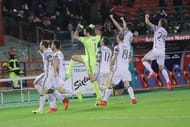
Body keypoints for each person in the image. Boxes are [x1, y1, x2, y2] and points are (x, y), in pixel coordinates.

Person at [96, 33, 137, 106]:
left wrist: (111, 64)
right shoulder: (128, 47)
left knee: (110, 84)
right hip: (125, 68)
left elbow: (114, 57)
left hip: (118, 68)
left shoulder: (117, 47)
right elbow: (130, 59)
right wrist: (124, 62)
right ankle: (133, 99)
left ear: (118, 38)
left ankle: (104, 101)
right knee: (127, 83)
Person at [66, 24, 102, 101]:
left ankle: (99, 95)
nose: (84, 32)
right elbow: (99, 33)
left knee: (92, 77)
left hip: (89, 61)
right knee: (74, 57)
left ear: (88, 32)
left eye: (85, 31)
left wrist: (77, 29)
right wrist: (93, 27)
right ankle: (68, 73)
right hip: (88, 58)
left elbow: (74, 37)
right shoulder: (96, 38)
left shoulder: (86, 39)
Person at [32, 40, 69, 114]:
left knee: (39, 86)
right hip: (50, 74)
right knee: (49, 90)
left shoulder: (47, 53)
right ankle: (62, 100)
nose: (39, 46)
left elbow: (54, 60)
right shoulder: (48, 51)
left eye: (40, 44)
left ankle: (41, 109)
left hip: (48, 74)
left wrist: (55, 71)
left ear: (42, 45)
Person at [142, 14, 172, 91]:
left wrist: (146, 16)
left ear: (160, 24)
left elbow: (147, 22)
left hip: (156, 49)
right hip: (162, 51)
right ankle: (168, 81)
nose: (158, 22)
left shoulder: (157, 28)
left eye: (159, 22)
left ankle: (151, 72)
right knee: (161, 68)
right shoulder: (165, 32)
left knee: (144, 60)